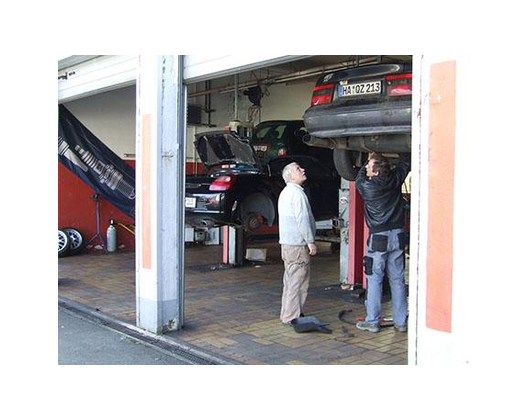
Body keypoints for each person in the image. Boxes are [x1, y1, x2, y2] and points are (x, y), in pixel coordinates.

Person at [354, 153, 411, 333]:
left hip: (379, 238)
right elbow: (405, 163)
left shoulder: (367, 186)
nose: (367, 168)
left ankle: (372, 321)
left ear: (376, 172)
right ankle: (401, 322)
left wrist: (367, 160)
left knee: (375, 279)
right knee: (397, 280)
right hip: (398, 235)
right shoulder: (395, 179)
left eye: (370, 166)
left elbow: (358, 178)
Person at [278, 162, 317, 325]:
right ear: (290, 176)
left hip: (287, 245)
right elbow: (302, 220)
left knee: (290, 280)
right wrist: (310, 242)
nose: (303, 170)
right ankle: (291, 317)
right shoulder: (298, 194)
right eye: (298, 169)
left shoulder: (285, 193)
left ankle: (287, 313)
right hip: (297, 246)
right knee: (298, 282)